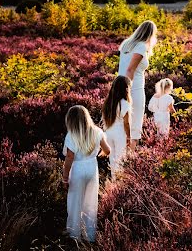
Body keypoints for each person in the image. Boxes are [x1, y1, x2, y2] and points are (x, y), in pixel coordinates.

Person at [62, 105, 110, 242]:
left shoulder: (71, 135)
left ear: (70, 120)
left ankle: (74, 233)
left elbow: (69, 157)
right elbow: (107, 150)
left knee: (75, 201)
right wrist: (96, 155)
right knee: (90, 201)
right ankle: (89, 235)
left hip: (77, 169)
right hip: (91, 168)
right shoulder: (97, 131)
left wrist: (65, 178)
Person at [118, 20, 158, 149]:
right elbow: (130, 69)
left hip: (119, 86)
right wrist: (127, 91)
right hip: (133, 89)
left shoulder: (126, 44)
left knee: (122, 122)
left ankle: (121, 156)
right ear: (150, 34)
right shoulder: (141, 46)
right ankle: (130, 158)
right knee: (134, 124)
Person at [102, 75, 131, 179]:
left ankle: (114, 179)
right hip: (120, 132)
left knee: (112, 159)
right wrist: (129, 136)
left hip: (108, 132)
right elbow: (126, 123)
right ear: (125, 88)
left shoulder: (108, 102)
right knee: (120, 158)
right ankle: (119, 183)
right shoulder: (124, 103)